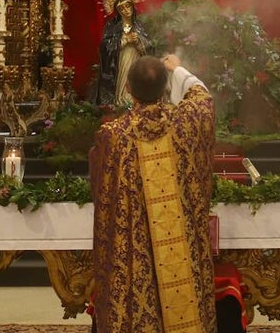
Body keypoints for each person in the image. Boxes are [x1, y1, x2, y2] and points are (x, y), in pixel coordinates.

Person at [90, 54, 216, 332]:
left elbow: (101, 188)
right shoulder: (186, 123)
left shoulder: (114, 135)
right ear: (165, 89)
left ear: (128, 89)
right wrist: (178, 68)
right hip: (178, 244)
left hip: (135, 244)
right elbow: (202, 97)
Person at [98, 0, 151, 107]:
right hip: (121, 60)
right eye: (121, 8)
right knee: (123, 81)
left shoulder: (140, 26)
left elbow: (150, 47)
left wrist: (138, 42)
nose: (126, 10)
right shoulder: (112, 27)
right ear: (118, 11)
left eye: (128, 6)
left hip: (136, 60)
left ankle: (135, 102)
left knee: (135, 80)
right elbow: (105, 47)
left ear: (132, 6)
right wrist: (124, 41)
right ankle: (121, 102)